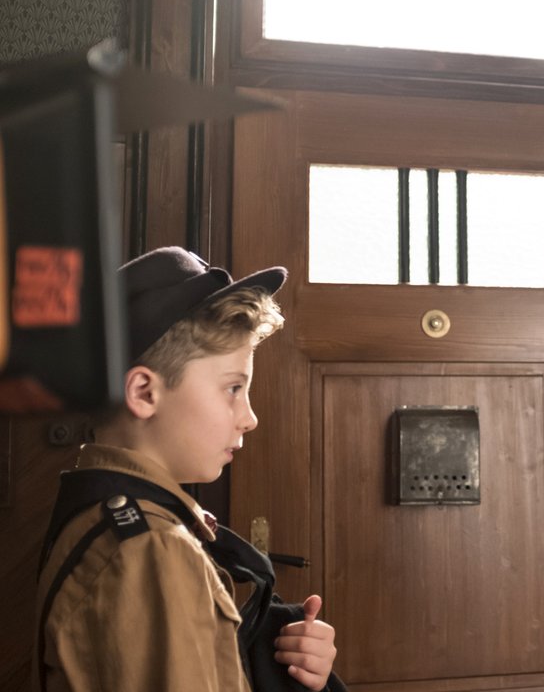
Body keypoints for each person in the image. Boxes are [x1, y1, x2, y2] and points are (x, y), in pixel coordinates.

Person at [34, 247, 339, 691]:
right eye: (233, 388)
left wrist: (281, 668)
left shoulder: (104, 517)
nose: (250, 417)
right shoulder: (153, 550)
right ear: (144, 392)